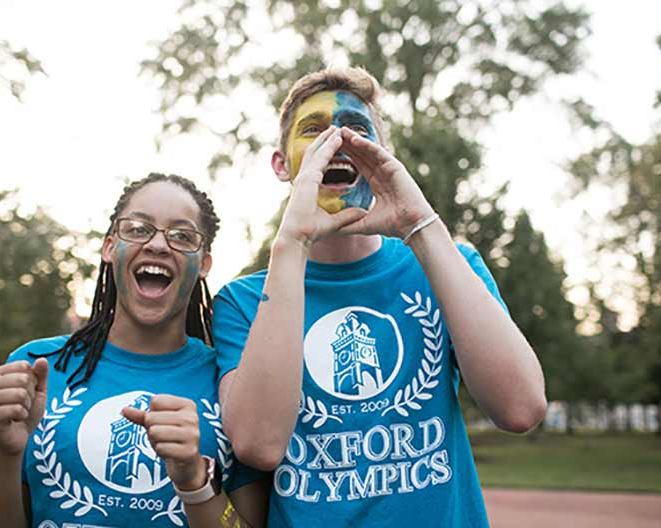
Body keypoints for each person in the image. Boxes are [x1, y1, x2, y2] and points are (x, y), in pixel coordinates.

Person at [212, 67, 548, 526]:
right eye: (313, 129)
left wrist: (420, 226)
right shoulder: (241, 301)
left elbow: (521, 407)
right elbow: (259, 444)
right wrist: (291, 244)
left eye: (356, 128)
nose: (337, 138)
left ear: (380, 154)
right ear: (281, 164)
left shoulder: (448, 263)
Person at [0, 173, 268, 528]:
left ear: (203, 264)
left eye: (182, 235)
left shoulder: (232, 384)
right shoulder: (36, 369)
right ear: (110, 247)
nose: (157, 244)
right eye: (139, 228)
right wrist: (5, 452)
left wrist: (195, 483)